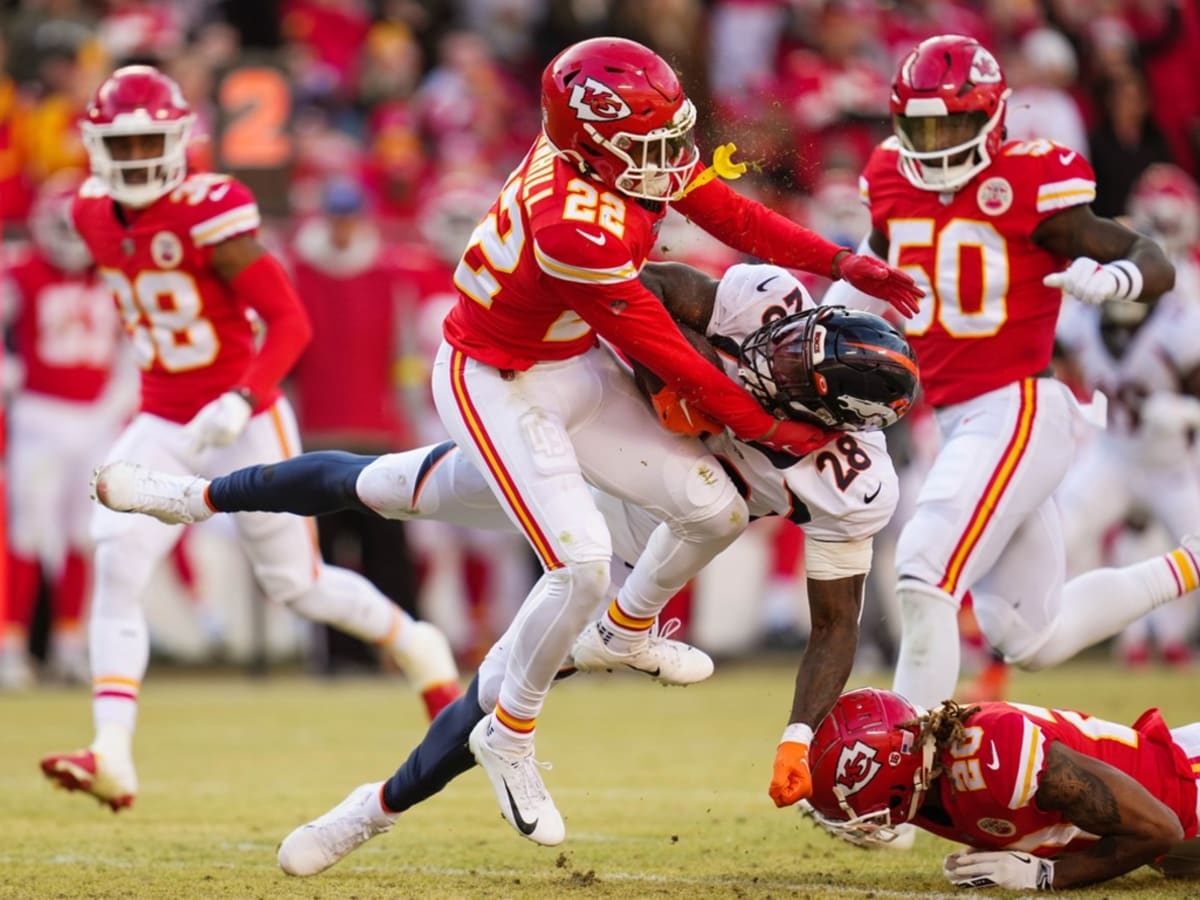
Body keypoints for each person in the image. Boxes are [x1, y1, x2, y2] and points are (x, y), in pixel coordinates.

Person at [91, 259, 921, 872]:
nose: (772, 357)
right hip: (585, 434)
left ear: (833, 421)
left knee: (509, 674)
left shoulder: (848, 482)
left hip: (645, 520)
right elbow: (648, 291)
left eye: (793, 374)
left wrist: (798, 731)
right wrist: (678, 372)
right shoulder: (765, 303)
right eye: (788, 345)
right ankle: (191, 494)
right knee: (377, 483)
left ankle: (366, 814)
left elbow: (836, 623)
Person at [331, 34, 917, 847]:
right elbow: (670, 354)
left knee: (695, 523)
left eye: (670, 136)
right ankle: (481, 746)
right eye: (648, 145)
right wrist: (772, 429)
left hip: (610, 426)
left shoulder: (853, 472)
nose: (669, 159)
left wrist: (845, 265)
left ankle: (624, 631)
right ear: (593, 147)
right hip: (510, 377)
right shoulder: (576, 223)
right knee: (557, 566)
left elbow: (733, 213)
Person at [37, 65, 461, 813]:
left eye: (147, 142)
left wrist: (241, 397)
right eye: (122, 144)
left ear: (175, 141)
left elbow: (290, 320)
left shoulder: (211, 208)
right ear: (100, 145)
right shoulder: (92, 213)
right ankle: (111, 751)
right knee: (115, 557)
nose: (135, 159)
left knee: (295, 585)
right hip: (161, 416)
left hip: (241, 415)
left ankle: (416, 643)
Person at [820, 35, 1195, 723]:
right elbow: (876, 265)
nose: (934, 144)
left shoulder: (1029, 180)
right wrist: (822, 326)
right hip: (960, 414)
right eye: (921, 126)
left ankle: (896, 788)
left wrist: (1120, 276)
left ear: (992, 118)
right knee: (1028, 634)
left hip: (1017, 402)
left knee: (923, 567)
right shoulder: (890, 177)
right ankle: (1191, 565)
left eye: (951, 125)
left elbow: (1152, 257)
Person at [806, 687, 1200, 890]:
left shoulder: (994, 758)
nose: (858, 818)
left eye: (857, 804)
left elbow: (1160, 829)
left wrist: (1047, 876)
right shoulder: (927, 772)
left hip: (1188, 791)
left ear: (893, 780)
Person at [1, 170, 129, 689]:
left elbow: (130, 354)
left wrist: (114, 403)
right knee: (27, 534)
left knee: (85, 533)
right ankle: (11, 645)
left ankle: (70, 642)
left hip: (93, 418)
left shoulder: (115, 279)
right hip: (38, 414)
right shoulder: (21, 272)